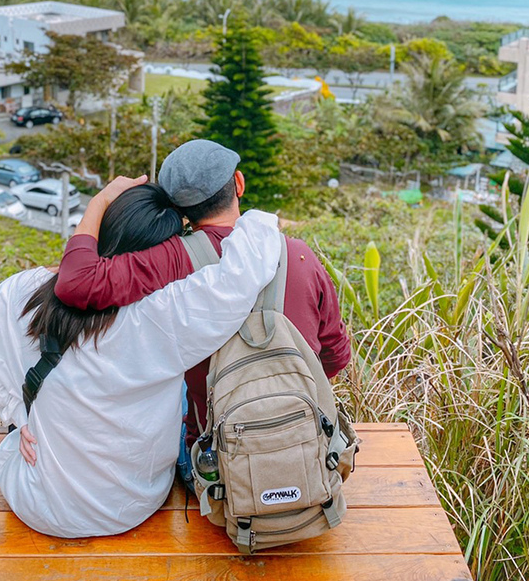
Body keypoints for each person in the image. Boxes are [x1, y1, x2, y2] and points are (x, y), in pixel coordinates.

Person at [0, 177, 281, 538]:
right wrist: (259, 218)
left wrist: (16, 411)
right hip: (136, 503)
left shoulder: (23, 293)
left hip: (40, 505)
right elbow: (244, 271)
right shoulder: (167, 314)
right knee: (185, 402)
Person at [54, 139, 352, 460]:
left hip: (212, 464)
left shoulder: (170, 260)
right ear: (239, 183)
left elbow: (75, 282)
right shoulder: (299, 254)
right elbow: (335, 357)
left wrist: (101, 200)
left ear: (176, 209)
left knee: (178, 386)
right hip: (307, 449)